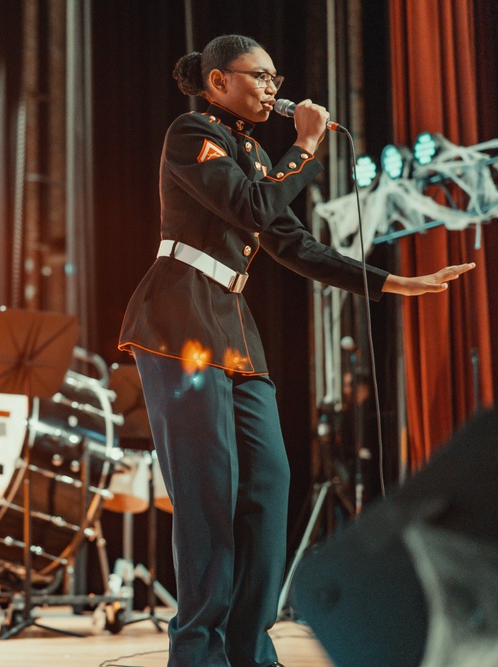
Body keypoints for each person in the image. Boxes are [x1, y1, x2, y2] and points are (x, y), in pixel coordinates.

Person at [118, 34, 474, 667]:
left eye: (277, 79)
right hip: (179, 322)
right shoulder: (191, 132)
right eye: (260, 77)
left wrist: (391, 282)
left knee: (269, 483)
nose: (273, 89)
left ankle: (249, 650)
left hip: (232, 329)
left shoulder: (253, 151)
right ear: (218, 81)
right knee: (208, 495)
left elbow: (293, 243)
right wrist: (306, 146)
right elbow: (253, 205)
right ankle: (196, 653)